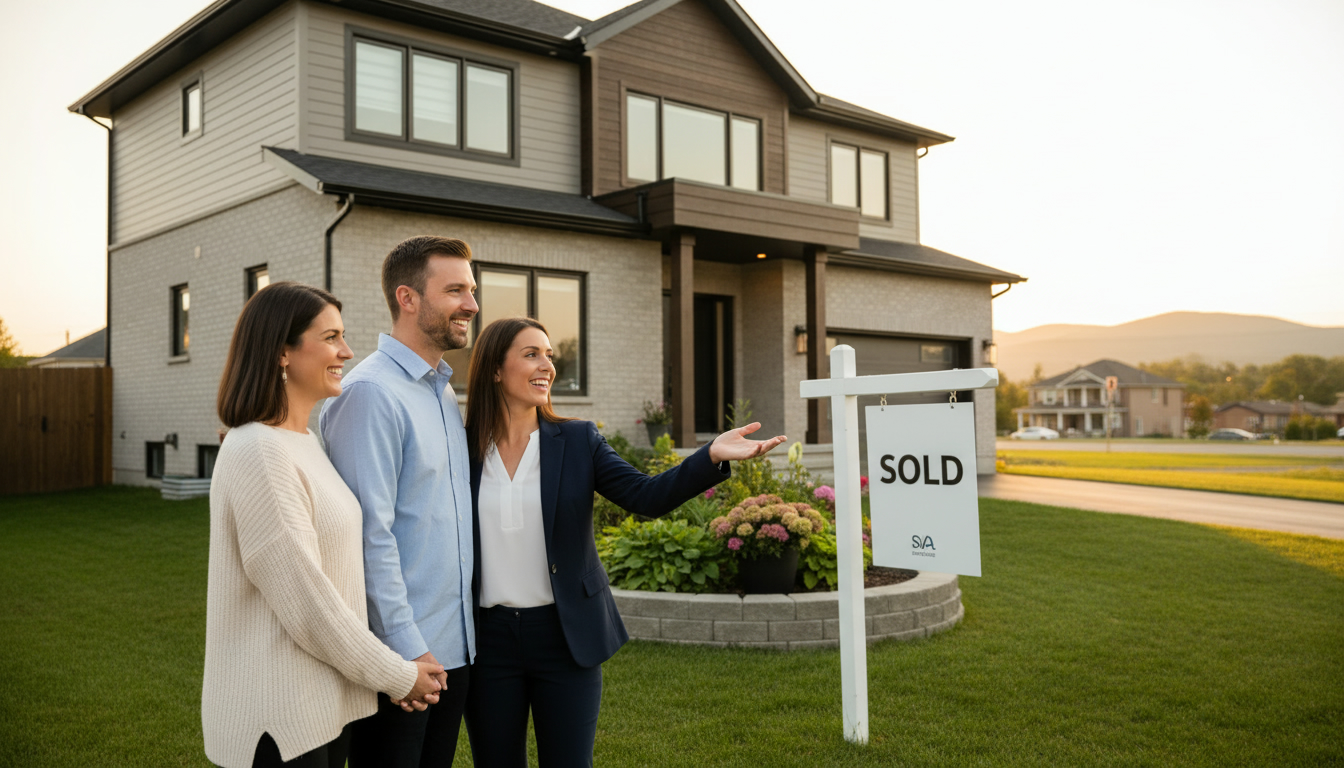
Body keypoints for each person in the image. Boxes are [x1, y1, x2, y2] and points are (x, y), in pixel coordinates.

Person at [462, 317, 786, 767]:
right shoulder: (463, 449)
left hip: (566, 635)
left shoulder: (577, 440)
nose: (547, 366)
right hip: (488, 641)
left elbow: (645, 496)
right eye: (531, 354)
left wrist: (709, 455)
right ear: (495, 369)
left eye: (550, 355)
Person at [203, 281, 445, 768]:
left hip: (321, 710)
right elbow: (308, 603)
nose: (347, 351)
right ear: (282, 353)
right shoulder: (259, 451)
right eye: (331, 337)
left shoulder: (304, 441)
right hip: (279, 718)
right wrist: (399, 675)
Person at [320, 236, 480, 767]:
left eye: (471, 289)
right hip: (401, 656)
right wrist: (406, 651)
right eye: (455, 290)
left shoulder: (440, 388)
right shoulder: (371, 393)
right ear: (408, 298)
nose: (472, 305)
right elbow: (368, 533)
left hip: (453, 650)